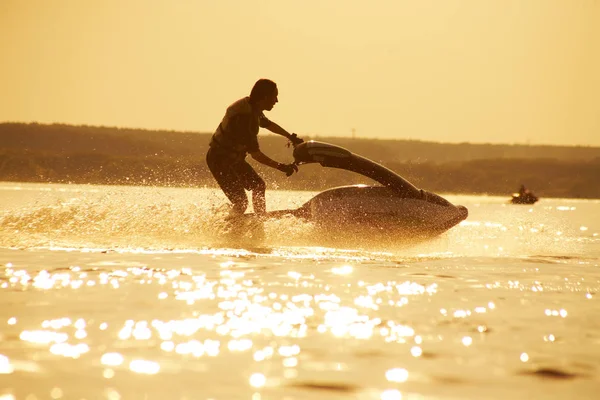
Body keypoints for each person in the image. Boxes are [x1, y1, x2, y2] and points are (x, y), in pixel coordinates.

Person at [206, 79, 303, 217]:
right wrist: (281, 166)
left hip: (232, 159)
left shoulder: (252, 107)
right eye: (274, 96)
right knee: (241, 203)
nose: (276, 101)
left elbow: (268, 124)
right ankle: (227, 229)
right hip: (219, 160)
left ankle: (259, 220)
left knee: (258, 186)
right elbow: (256, 155)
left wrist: (289, 136)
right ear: (264, 97)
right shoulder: (245, 119)